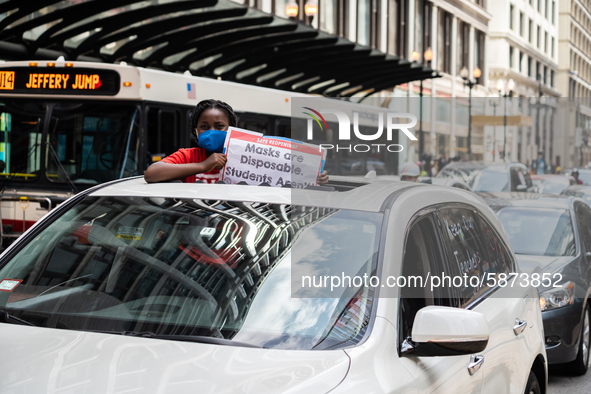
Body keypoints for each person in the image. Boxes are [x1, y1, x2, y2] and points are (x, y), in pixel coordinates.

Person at [144, 99, 329, 184]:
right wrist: (202, 166)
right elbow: (151, 173)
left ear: (231, 130)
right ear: (195, 131)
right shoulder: (188, 156)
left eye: (219, 126)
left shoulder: (248, 155)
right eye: (204, 127)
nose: (211, 132)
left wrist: (312, 176)